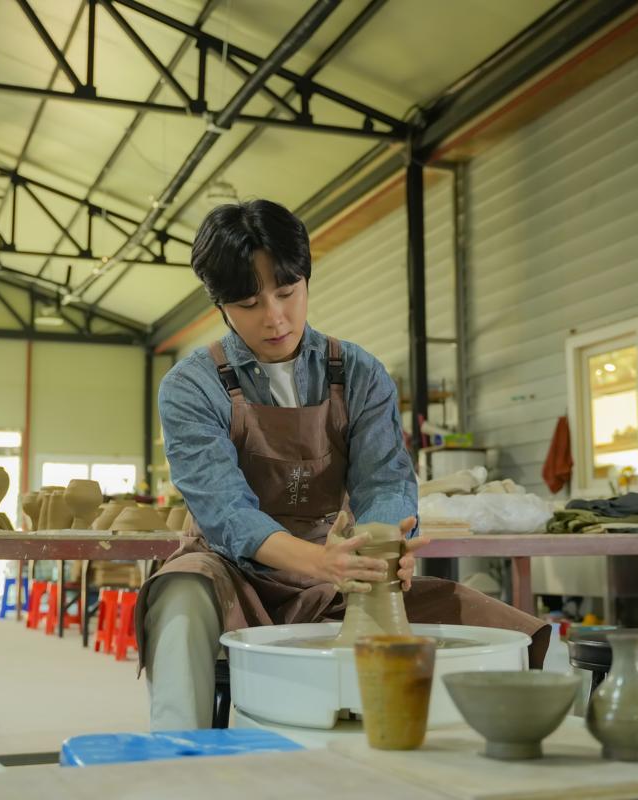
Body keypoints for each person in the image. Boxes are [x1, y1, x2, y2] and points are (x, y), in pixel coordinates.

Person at [136, 199, 549, 730]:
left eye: (287, 292)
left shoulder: (359, 372)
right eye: (249, 302)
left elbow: (385, 482)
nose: (274, 317)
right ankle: (178, 759)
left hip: (339, 572)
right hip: (232, 572)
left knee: (499, 625)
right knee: (180, 592)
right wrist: (320, 562)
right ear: (221, 305)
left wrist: (387, 548)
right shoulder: (191, 386)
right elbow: (226, 512)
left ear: (306, 279)